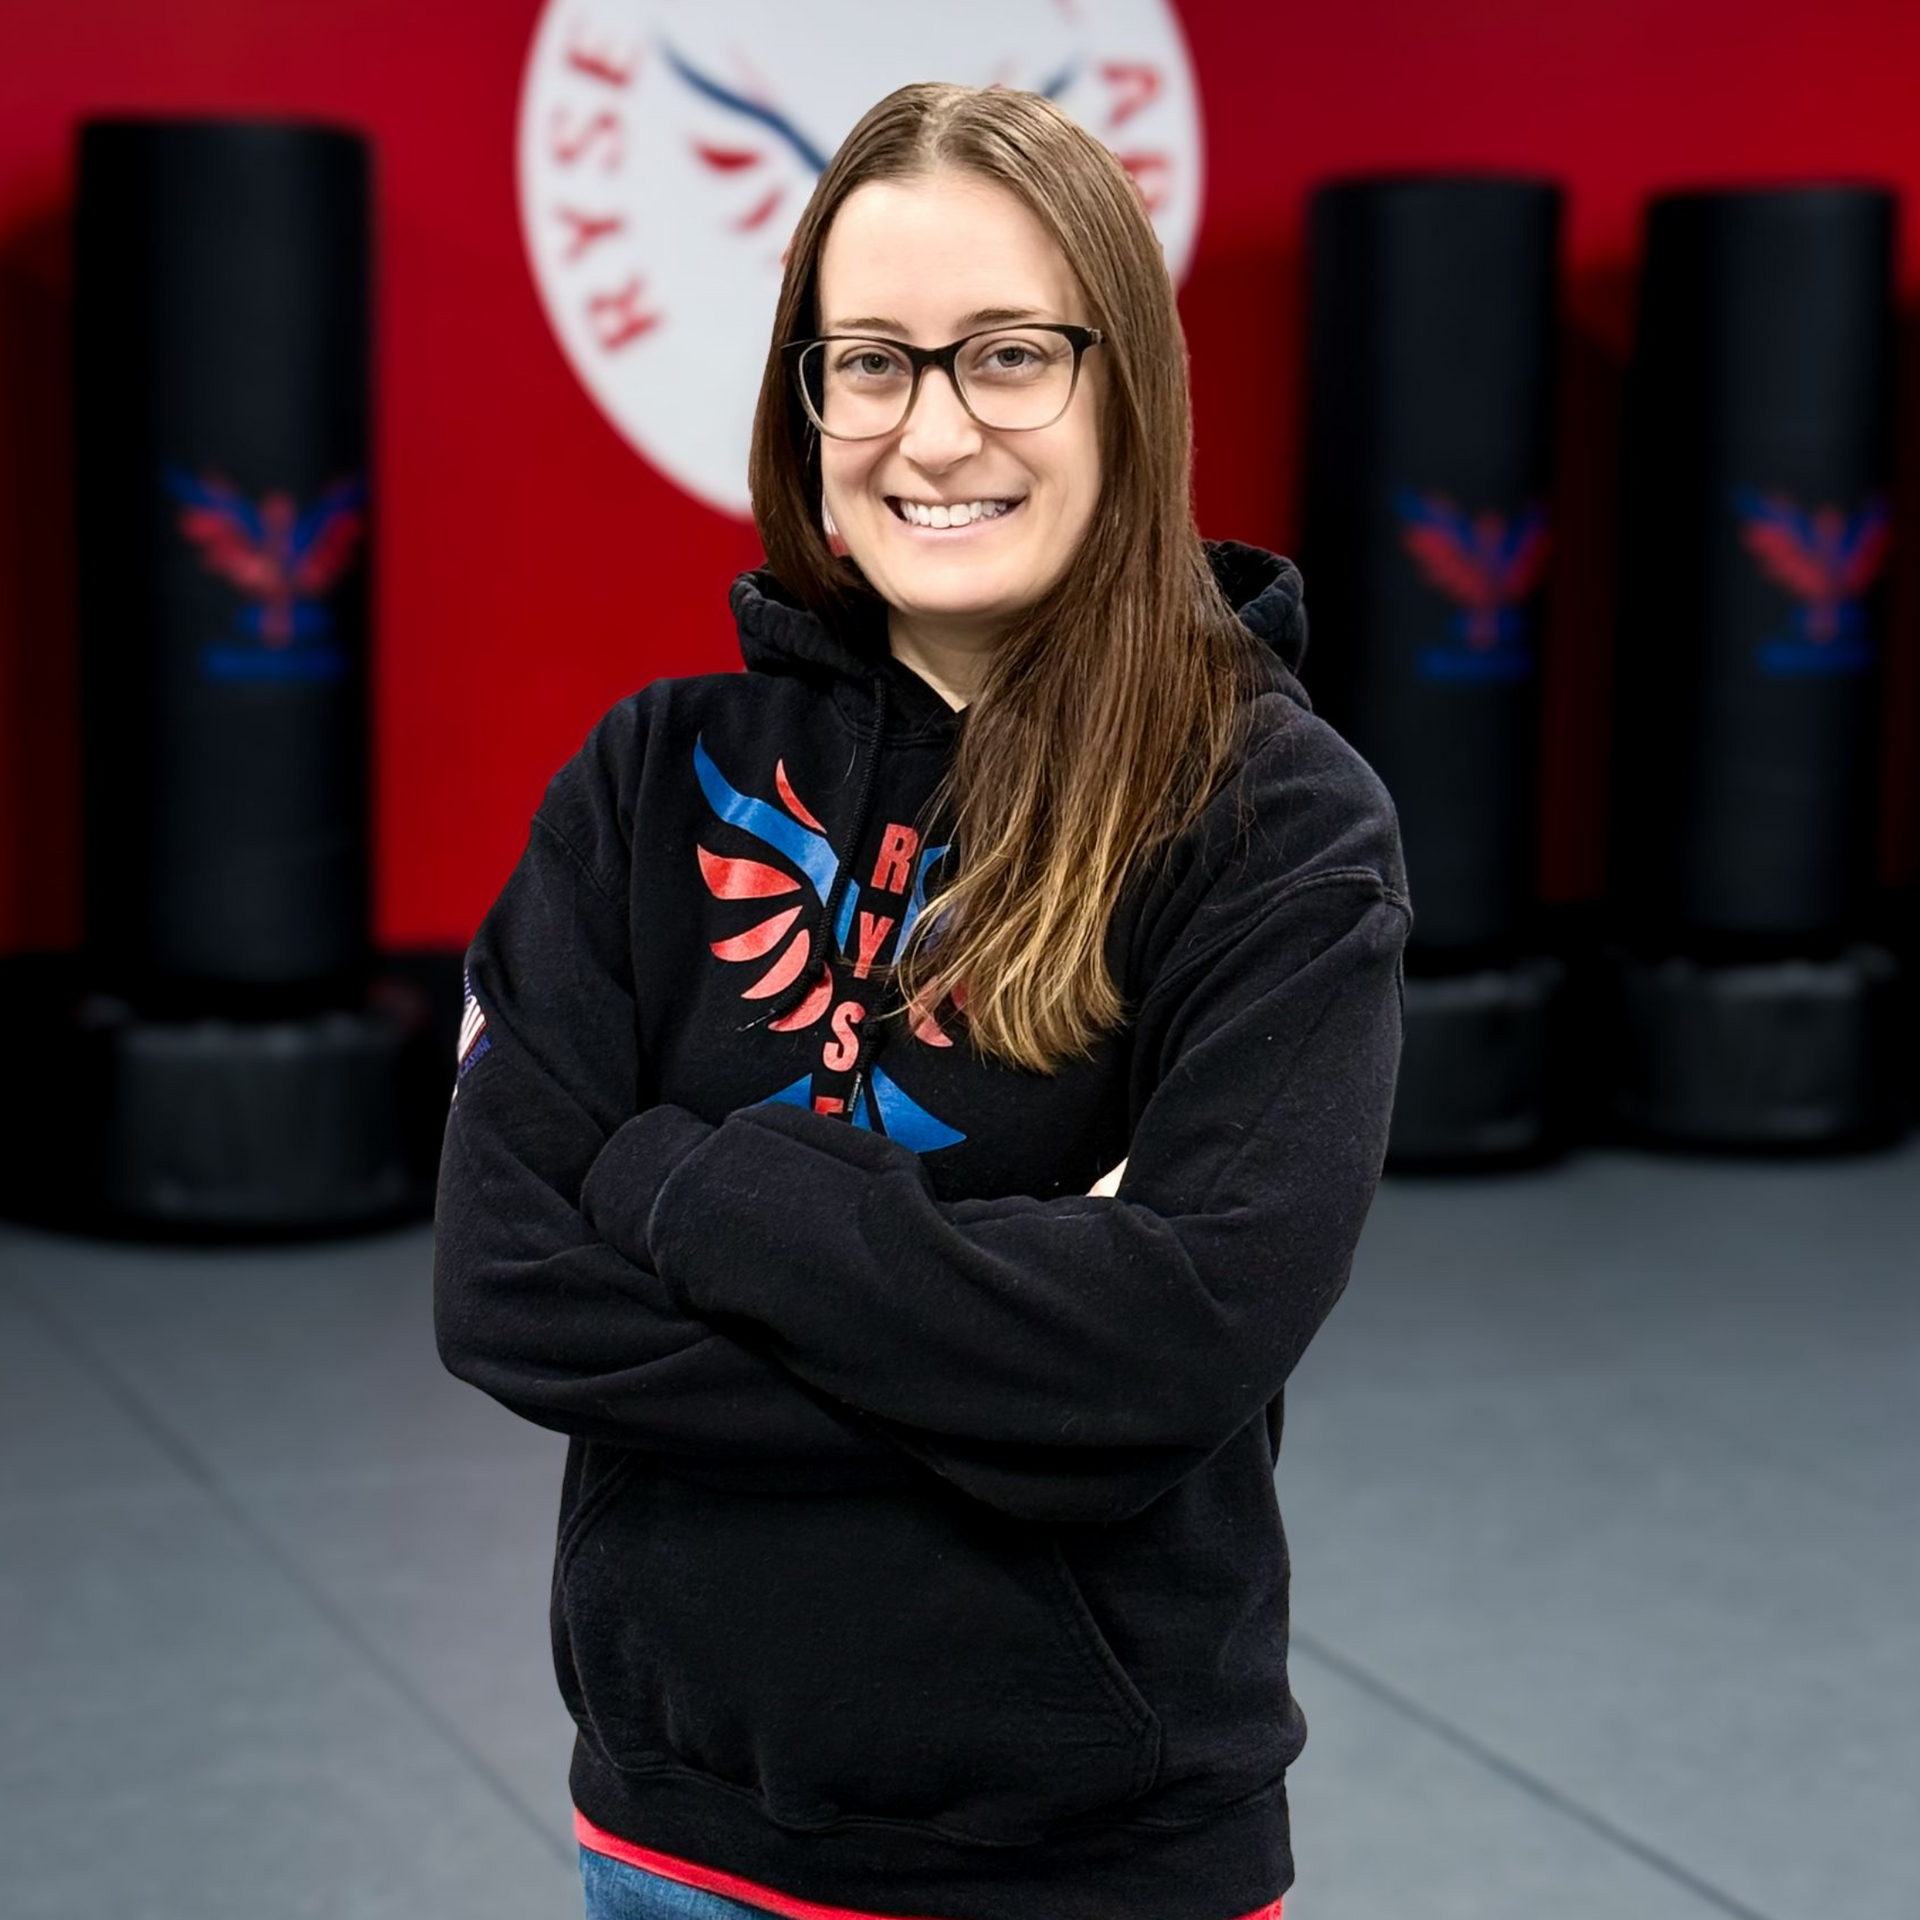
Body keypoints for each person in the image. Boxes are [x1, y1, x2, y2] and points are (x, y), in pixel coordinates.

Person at [433, 79, 1410, 1920]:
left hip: (1085, 1866)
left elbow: (1177, 1342)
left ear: (1128, 385)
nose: (932, 428)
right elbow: (502, 1291)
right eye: (869, 361)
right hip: (671, 1837)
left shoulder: (1272, 822)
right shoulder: (649, 778)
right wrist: (1027, 1363)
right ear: (806, 400)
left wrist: (676, 1184)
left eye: (1008, 354)